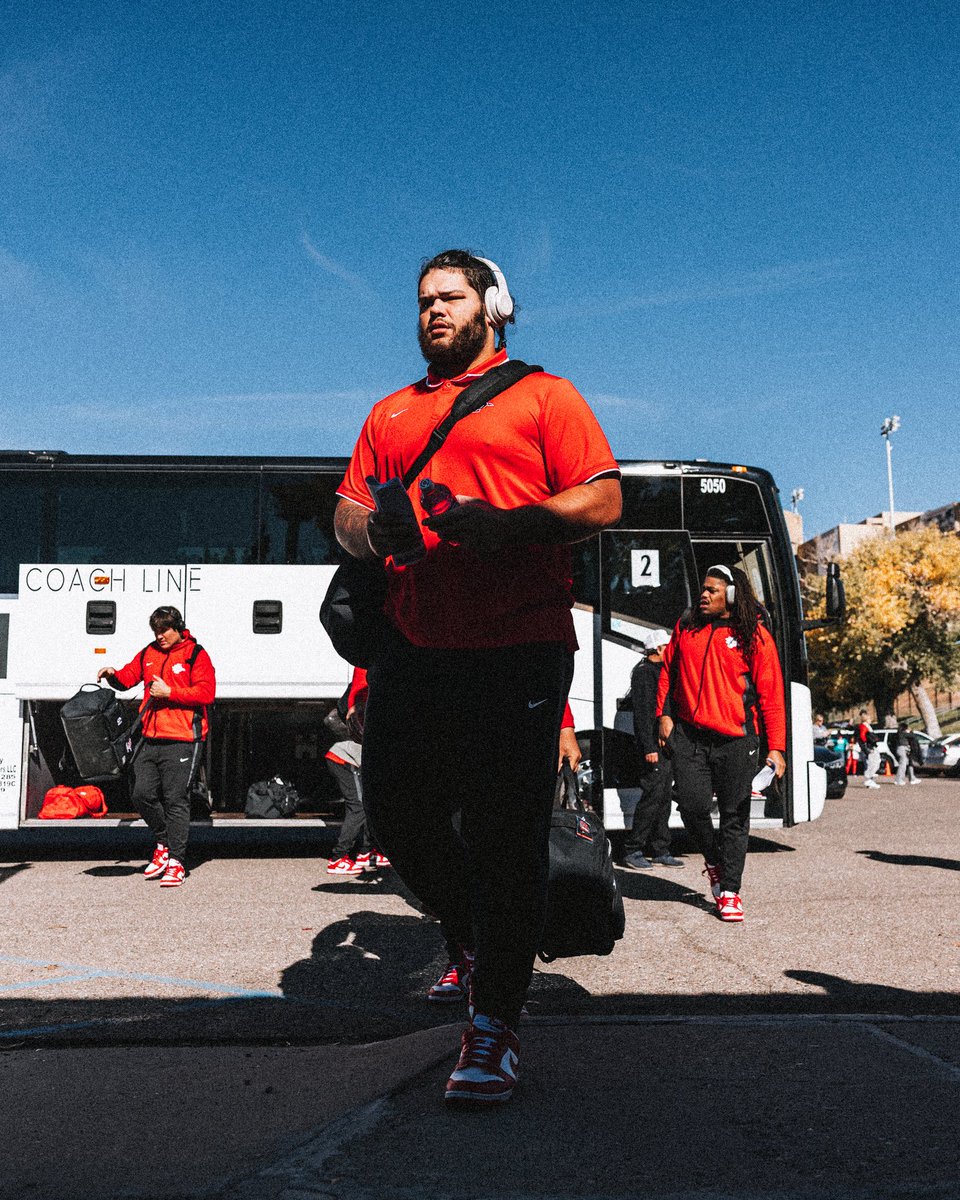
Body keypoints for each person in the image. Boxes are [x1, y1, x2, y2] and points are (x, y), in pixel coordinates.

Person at [334, 249, 621, 1104]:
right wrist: (370, 535)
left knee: (504, 835)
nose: (433, 313)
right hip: (414, 648)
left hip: (519, 648)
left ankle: (493, 1026)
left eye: (450, 298)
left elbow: (603, 501)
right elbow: (348, 511)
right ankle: (480, 936)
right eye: (423, 301)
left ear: (492, 305)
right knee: (401, 820)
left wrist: (510, 525)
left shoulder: (546, 396)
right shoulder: (390, 412)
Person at [656, 565, 786, 923]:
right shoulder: (686, 627)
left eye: (712, 590)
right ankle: (713, 861)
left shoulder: (754, 636)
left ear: (731, 595)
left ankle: (730, 889)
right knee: (692, 807)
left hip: (737, 740)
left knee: (734, 814)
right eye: (703, 588)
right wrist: (663, 715)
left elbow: (772, 696)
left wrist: (776, 748)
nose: (704, 595)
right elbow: (668, 670)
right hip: (690, 736)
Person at [97, 606, 215, 888]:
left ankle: (176, 861)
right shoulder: (149, 652)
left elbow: (206, 693)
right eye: (156, 631)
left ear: (178, 628)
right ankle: (163, 842)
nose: (159, 636)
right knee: (141, 794)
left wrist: (170, 692)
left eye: (164, 630)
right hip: (150, 736)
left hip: (184, 737)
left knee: (176, 798)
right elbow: (128, 677)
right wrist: (113, 674)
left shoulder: (196, 655)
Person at [622, 629, 683, 870]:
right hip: (652, 747)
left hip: (664, 745)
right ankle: (632, 849)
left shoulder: (662, 671)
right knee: (651, 798)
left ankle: (660, 849)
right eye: (668, 646)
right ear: (658, 649)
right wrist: (648, 746)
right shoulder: (644, 673)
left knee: (663, 797)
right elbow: (643, 714)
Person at [324, 667, 392, 875]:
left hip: (350, 760)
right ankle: (338, 858)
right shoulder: (369, 711)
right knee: (359, 807)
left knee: (369, 805)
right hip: (344, 761)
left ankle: (366, 851)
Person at [855, 710, 882, 789]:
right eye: (870, 719)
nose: (871, 720)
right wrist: (867, 746)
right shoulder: (864, 726)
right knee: (873, 763)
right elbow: (862, 736)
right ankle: (869, 779)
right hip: (870, 747)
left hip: (870, 746)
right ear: (866, 719)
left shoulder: (866, 726)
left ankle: (871, 781)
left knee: (874, 762)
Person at [892, 721, 922, 787]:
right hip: (902, 750)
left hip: (902, 749)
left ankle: (912, 778)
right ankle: (899, 780)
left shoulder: (899, 734)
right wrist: (910, 731)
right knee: (902, 765)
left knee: (908, 763)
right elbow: (912, 736)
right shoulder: (903, 733)